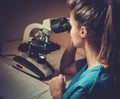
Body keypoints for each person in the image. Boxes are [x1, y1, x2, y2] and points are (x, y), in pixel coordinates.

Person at [48, 0, 120, 99]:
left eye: (71, 25)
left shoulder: (86, 89)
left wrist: (57, 94)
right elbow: (66, 67)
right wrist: (74, 31)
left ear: (83, 32)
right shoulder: (100, 61)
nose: (69, 29)